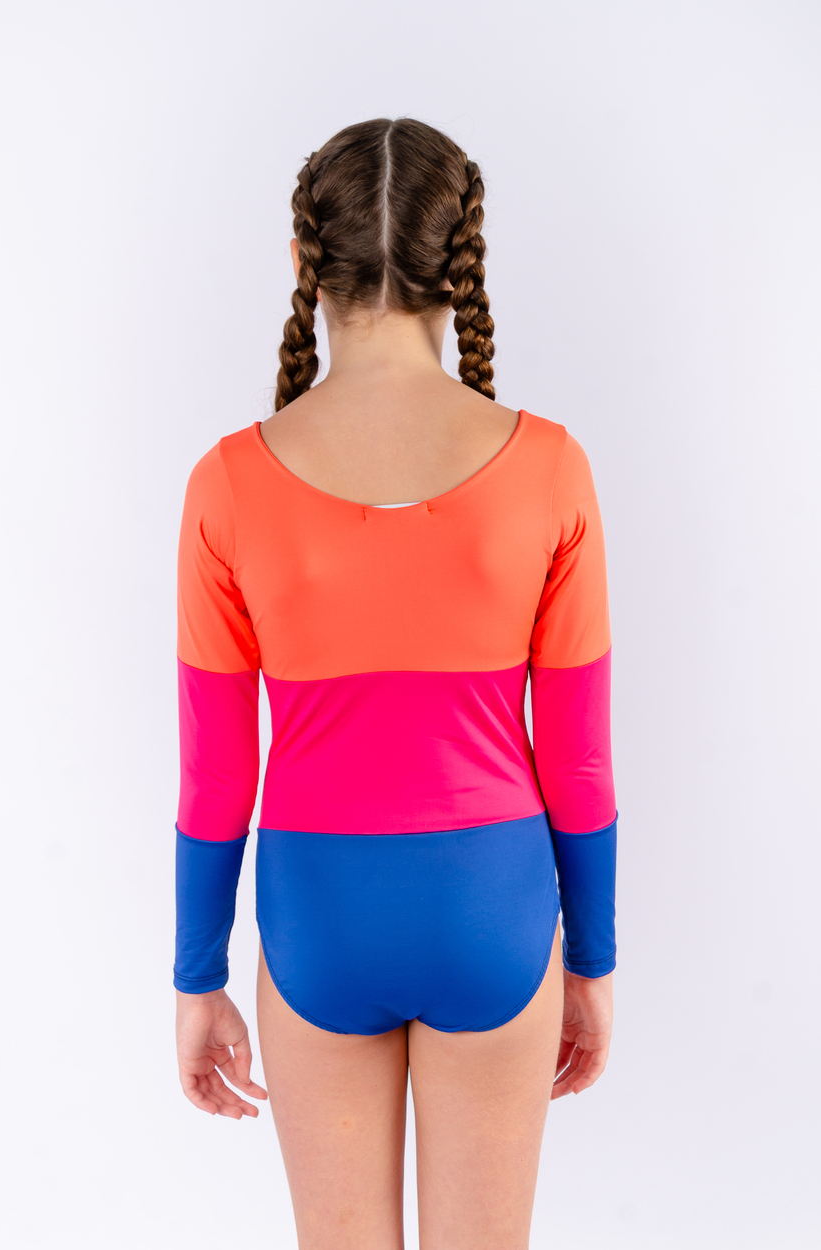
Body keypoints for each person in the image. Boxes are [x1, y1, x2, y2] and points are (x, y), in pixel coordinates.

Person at [173, 117, 617, 1250]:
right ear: (463, 257)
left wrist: (196, 976)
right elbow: (577, 763)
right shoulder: (552, 467)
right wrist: (593, 961)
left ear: (302, 261)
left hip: (318, 910)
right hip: (496, 907)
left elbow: (217, 776)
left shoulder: (227, 483)